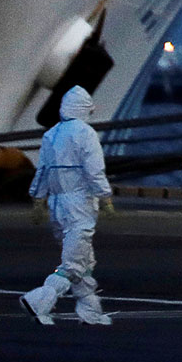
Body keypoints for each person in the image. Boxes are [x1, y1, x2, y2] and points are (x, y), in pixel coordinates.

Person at [20, 85, 114, 325]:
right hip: (79, 204)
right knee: (72, 264)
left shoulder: (51, 134)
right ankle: (39, 299)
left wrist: (38, 199)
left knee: (84, 260)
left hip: (57, 205)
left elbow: (42, 171)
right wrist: (105, 196)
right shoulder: (85, 134)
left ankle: (90, 311)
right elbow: (94, 171)